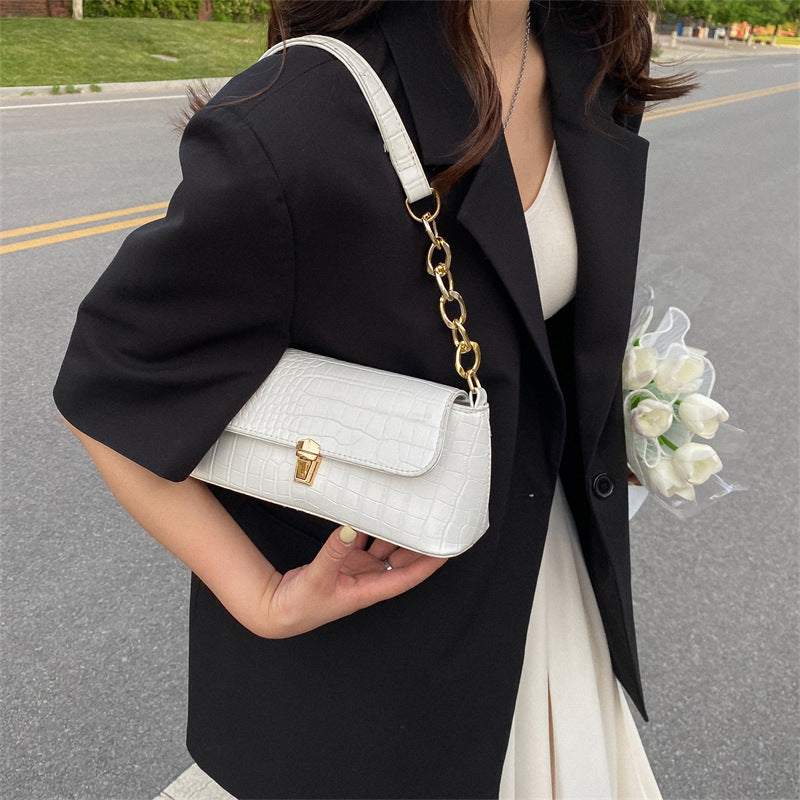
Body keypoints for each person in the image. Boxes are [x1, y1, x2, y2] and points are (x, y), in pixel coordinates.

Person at [53, 1, 694, 797]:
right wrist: (260, 596)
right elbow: (108, 378)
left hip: (547, 594)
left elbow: (533, 317)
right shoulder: (302, 120)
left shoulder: (587, 54)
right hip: (380, 680)